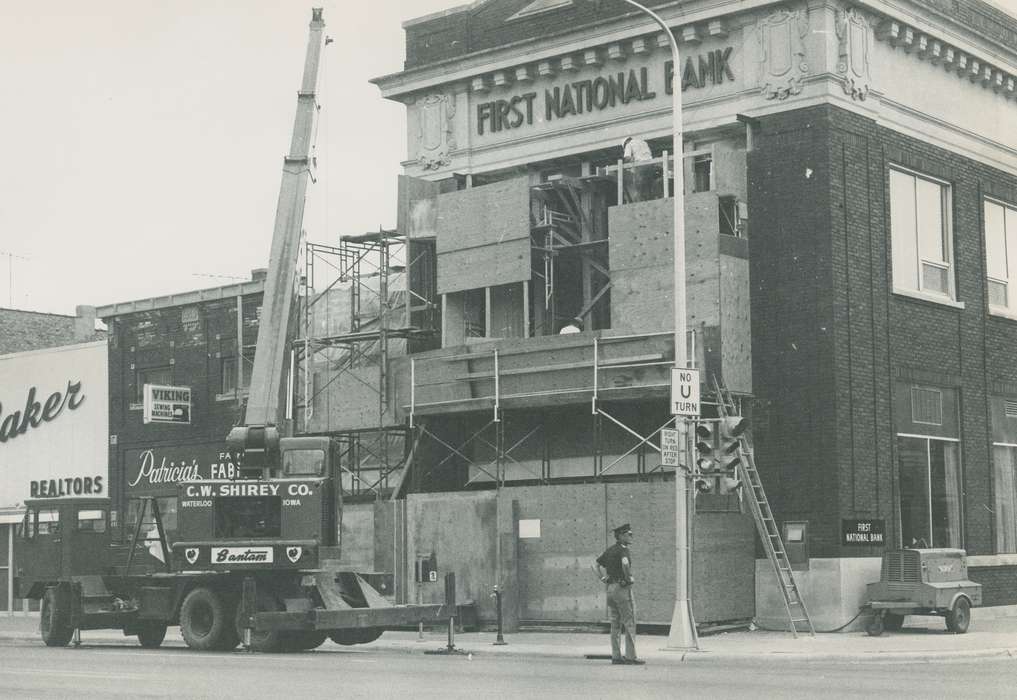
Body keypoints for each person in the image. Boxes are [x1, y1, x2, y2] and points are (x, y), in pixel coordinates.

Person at [595, 523, 644, 665]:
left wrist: (602, 578)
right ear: (621, 536)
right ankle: (630, 657)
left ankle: (616, 656)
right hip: (622, 590)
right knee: (630, 622)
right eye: (629, 534)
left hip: (610, 589)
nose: (631, 537)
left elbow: (596, 564)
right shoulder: (623, 550)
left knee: (615, 623)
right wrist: (629, 578)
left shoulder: (610, 550)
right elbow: (625, 564)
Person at [622, 136, 653, 203]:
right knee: (648, 184)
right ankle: (649, 200)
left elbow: (627, 158)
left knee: (638, 185)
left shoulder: (629, 144)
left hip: (640, 165)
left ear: (626, 142)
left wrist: (626, 166)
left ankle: (640, 202)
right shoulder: (643, 142)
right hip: (650, 165)